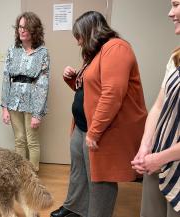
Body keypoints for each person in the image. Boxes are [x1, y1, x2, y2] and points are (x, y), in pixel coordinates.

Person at [50, 11, 147, 217]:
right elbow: (91, 89)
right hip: (82, 125)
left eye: (79, 36)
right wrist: (73, 77)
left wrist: (94, 132)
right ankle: (76, 208)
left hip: (104, 129)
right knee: (80, 173)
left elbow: (112, 94)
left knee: (100, 178)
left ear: (90, 31)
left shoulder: (117, 48)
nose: (78, 42)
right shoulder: (94, 53)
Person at [131, 1, 180, 216]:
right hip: (157, 159)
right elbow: (159, 106)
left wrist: (162, 157)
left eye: (176, 5)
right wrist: (145, 148)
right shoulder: (176, 57)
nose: (170, 13)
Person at [1, 12, 50, 172]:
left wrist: (38, 113)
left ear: (34, 31)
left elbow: (43, 84)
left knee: (32, 140)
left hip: (33, 101)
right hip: (13, 100)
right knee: (19, 139)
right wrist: (4, 107)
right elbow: (6, 79)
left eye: (26, 27)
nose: (21, 31)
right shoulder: (12, 51)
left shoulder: (42, 53)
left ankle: (32, 174)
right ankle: (21, 173)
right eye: (20, 27)